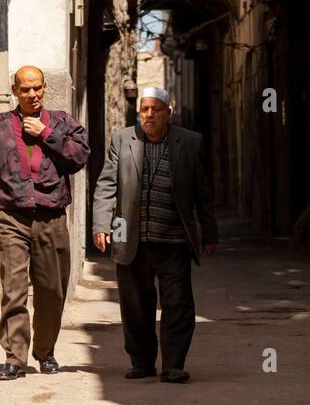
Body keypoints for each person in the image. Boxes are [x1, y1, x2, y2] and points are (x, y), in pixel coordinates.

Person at [0, 66, 89, 380]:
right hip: (11, 217)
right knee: (14, 289)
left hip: (51, 217)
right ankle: (15, 358)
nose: (31, 94)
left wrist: (46, 135)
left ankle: (46, 352)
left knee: (50, 290)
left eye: (36, 88)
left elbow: (80, 157)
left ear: (45, 88)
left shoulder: (61, 123)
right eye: (24, 89)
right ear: (15, 90)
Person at [92, 87, 218, 383]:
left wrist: (209, 233)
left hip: (174, 241)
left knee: (177, 305)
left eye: (155, 109)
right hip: (131, 239)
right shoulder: (122, 139)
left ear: (168, 113)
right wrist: (100, 225)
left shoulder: (189, 142)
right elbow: (106, 185)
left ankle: (173, 364)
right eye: (144, 109)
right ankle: (142, 362)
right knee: (135, 306)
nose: (148, 114)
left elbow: (202, 192)